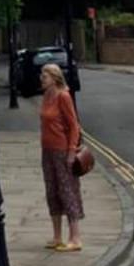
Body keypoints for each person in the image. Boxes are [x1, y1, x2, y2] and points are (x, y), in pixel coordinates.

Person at [38, 61, 84, 252]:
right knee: (52, 192)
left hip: (62, 151)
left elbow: (74, 126)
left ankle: (75, 237)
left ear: (55, 78)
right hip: (47, 151)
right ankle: (57, 236)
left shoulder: (63, 96)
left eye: (45, 75)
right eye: (42, 75)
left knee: (67, 192)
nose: (41, 78)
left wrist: (71, 151)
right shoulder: (46, 96)